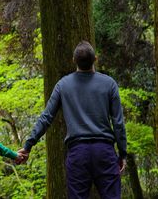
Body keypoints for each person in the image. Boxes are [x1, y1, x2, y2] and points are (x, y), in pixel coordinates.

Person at [18, 41, 127, 199]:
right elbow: (118, 123)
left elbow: (46, 117)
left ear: (74, 60)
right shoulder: (109, 84)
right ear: (95, 59)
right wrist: (122, 154)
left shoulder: (63, 85)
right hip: (105, 152)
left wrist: (28, 145)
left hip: (77, 153)